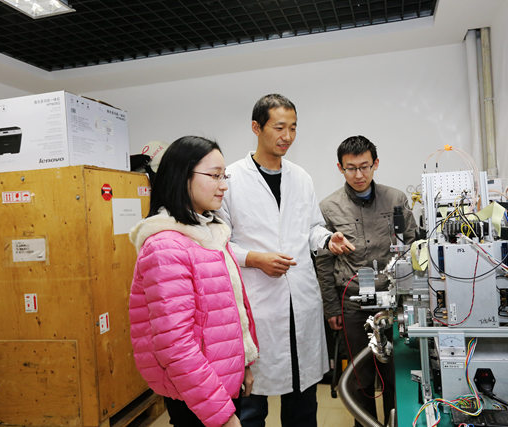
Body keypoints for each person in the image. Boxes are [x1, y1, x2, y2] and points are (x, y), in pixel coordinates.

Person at [218, 94, 354, 427]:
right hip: (257, 303)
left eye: (293, 128)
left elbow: (311, 228)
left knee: (303, 401)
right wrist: (254, 258)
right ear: (256, 127)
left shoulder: (300, 177)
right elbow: (218, 242)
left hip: (300, 302)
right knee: (252, 405)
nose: (287, 136)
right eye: (279, 127)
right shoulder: (231, 179)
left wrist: (327, 239)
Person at [128, 136, 259, 427]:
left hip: (222, 381)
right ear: (181, 177)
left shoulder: (211, 234)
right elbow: (176, 346)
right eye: (214, 176)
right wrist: (222, 415)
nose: (223, 186)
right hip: (196, 395)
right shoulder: (165, 248)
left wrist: (245, 364)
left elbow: (232, 311)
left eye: (224, 176)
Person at [315, 135, 417, 426]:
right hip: (353, 303)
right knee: (361, 377)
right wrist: (331, 308)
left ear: (376, 164)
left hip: (394, 302)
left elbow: (413, 247)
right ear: (340, 168)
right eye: (351, 168)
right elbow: (324, 262)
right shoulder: (329, 207)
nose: (358, 175)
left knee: (395, 374)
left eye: (364, 166)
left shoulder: (396, 199)